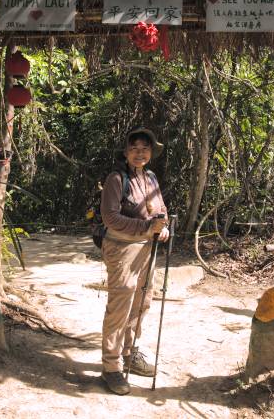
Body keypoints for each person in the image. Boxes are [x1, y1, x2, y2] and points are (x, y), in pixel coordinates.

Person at [99, 127, 169, 395]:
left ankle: (129, 353)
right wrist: (145, 227)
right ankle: (111, 367)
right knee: (121, 304)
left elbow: (160, 209)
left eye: (145, 149)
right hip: (121, 247)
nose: (140, 153)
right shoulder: (116, 179)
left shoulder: (150, 177)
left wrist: (162, 227)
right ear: (126, 152)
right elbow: (110, 218)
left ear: (151, 153)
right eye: (134, 148)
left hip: (146, 248)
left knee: (142, 302)